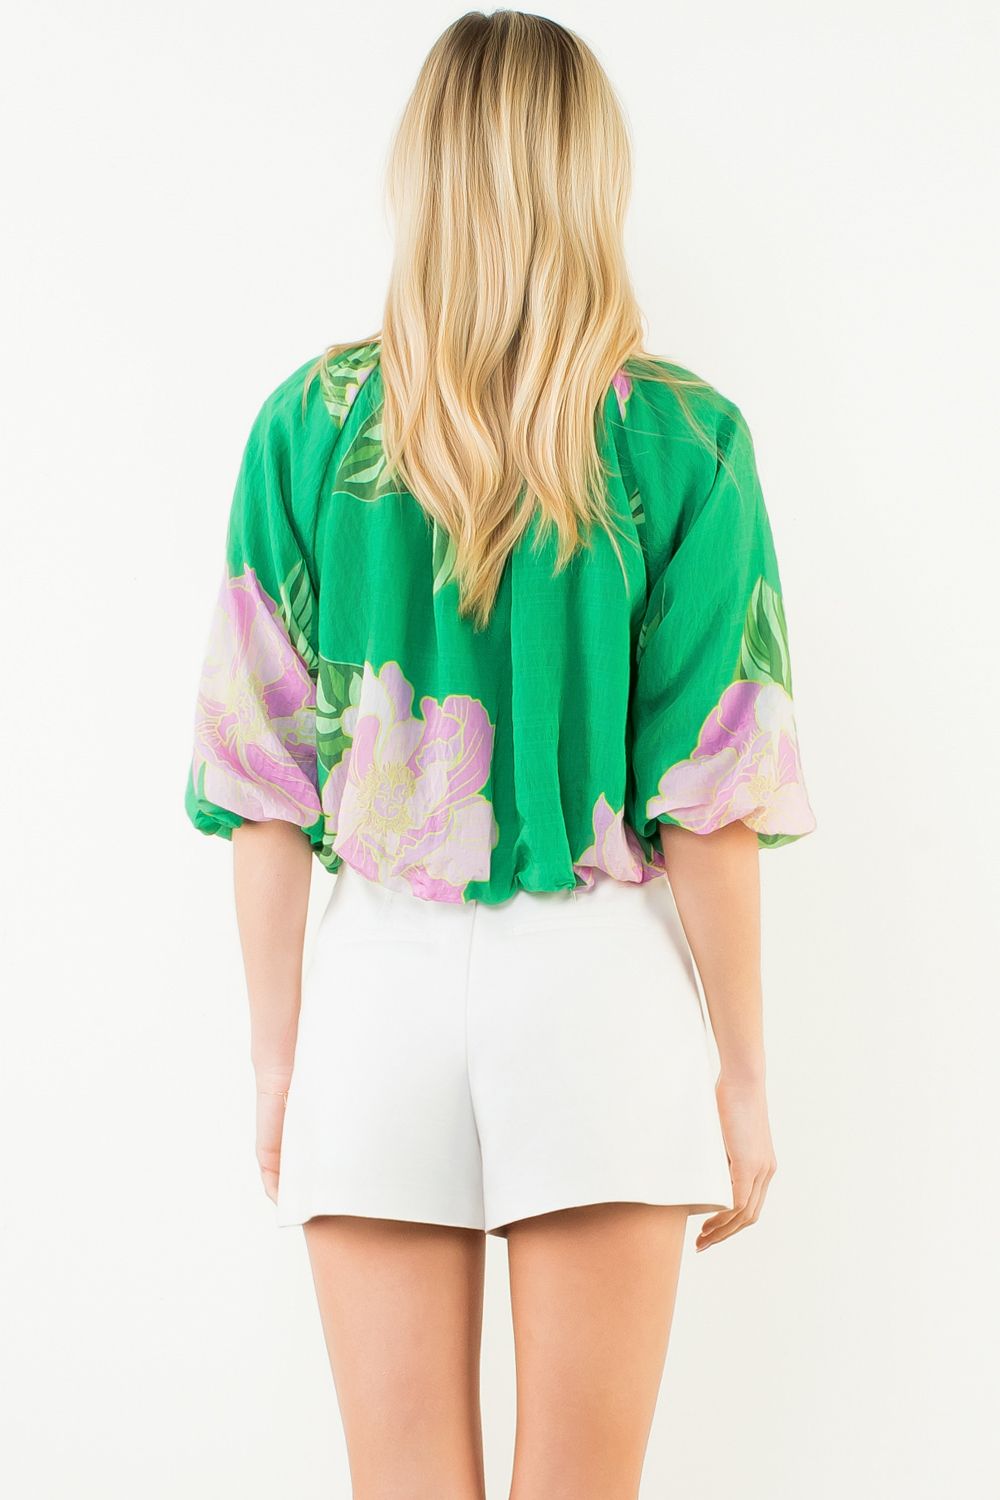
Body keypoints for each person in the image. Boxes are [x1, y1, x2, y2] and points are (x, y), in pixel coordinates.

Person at [185, 10, 816, 1497]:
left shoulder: (309, 425)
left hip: (372, 987)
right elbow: (709, 800)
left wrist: (279, 1059)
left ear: (424, 175)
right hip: (599, 986)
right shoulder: (686, 442)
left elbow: (258, 786)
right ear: (593, 179)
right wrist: (742, 1076)